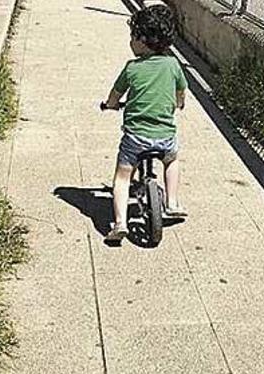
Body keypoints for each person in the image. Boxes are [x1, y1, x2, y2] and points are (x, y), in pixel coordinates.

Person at [101, 4, 188, 243]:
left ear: (142, 40)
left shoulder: (131, 68)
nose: (130, 42)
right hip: (164, 136)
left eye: (133, 37)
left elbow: (115, 96)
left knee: (122, 177)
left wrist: (109, 105)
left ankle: (120, 223)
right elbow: (181, 93)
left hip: (135, 138)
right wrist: (178, 104)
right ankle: (172, 202)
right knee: (171, 160)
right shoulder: (172, 65)